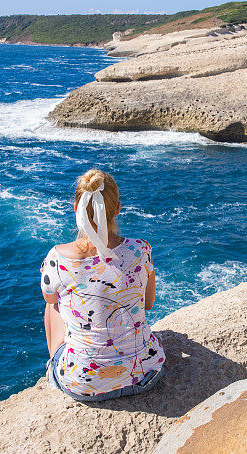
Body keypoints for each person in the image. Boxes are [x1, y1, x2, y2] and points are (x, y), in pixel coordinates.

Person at [40, 168, 165, 402]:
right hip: (145, 374)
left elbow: (50, 301)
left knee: (53, 304)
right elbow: (148, 304)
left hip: (83, 385)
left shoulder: (58, 258)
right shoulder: (140, 250)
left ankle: (54, 365)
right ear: (117, 209)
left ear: (76, 210)